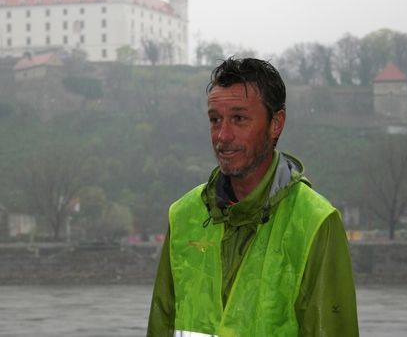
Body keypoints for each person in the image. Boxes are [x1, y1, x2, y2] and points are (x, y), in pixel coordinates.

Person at [147, 57, 359, 336]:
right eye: (215, 120)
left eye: (239, 119)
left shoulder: (315, 222)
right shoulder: (183, 215)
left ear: (276, 124)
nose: (223, 135)